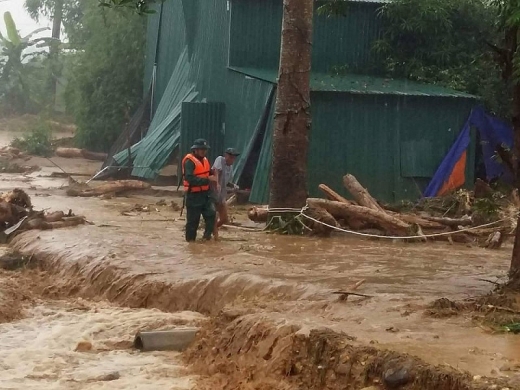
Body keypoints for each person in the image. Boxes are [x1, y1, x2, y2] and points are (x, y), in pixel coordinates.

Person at [181, 139, 218, 242]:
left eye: (205, 149)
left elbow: (209, 172)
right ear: (195, 150)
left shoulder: (205, 160)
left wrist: (213, 175)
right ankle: (191, 243)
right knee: (193, 222)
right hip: (193, 195)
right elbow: (190, 178)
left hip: (205, 194)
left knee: (211, 214)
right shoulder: (189, 161)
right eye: (201, 149)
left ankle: (206, 238)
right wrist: (207, 180)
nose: (203, 151)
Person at [212, 147, 240, 239]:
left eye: (234, 158)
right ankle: (215, 237)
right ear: (226, 156)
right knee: (214, 216)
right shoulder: (220, 160)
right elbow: (216, 171)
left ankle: (212, 228)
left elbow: (227, 182)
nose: (232, 159)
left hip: (221, 195)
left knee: (224, 219)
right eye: (231, 157)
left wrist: (233, 186)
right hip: (213, 193)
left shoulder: (230, 168)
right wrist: (217, 183)